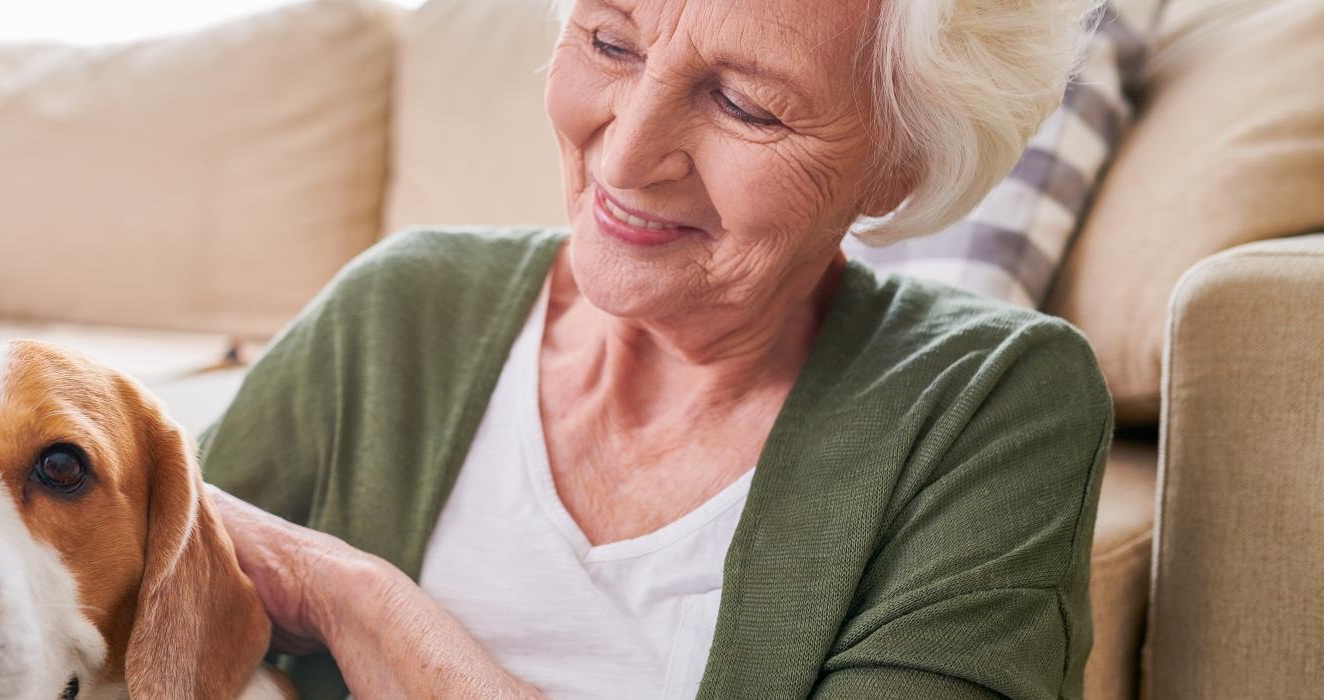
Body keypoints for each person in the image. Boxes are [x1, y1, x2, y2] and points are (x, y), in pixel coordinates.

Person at [199, 0, 1110, 697]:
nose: (628, 156)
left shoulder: (993, 400)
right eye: (610, 44)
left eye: (746, 105)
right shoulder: (401, 307)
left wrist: (356, 602)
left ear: (898, 161)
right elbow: (125, 591)